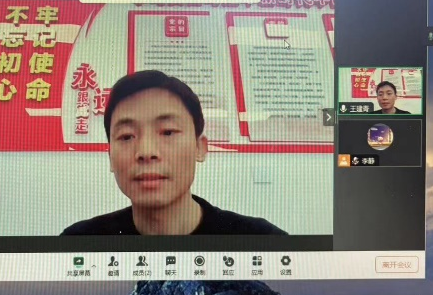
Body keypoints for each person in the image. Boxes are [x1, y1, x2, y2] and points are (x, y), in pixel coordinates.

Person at [61, 70, 287, 236]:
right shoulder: (79, 241)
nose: (146, 152)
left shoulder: (261, 239)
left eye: (168, 132)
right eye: (127, 136)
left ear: (200, 148)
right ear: (110, 157)